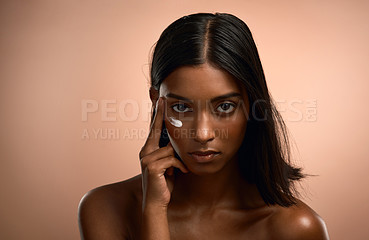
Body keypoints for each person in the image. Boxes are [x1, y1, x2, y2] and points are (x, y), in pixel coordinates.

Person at [78, 13, 330, 240]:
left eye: (224, 107)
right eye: (181, 107)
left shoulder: (296, 228)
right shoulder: (105, 209)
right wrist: (154, 210)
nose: (202, 133)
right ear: (157, 102)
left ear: (253, 104)